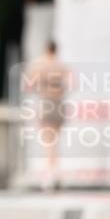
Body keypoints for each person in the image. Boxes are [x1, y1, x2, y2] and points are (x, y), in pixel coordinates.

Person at [24, 39, 72, 190]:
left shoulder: (40, 65)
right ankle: (56, 173)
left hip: (46, 102)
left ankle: (50, 176)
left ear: (46, 49)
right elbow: (71, 83)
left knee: (48, 141)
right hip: (59, 103)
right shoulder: (62, 66)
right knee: (55, 140)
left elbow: (28, 85)